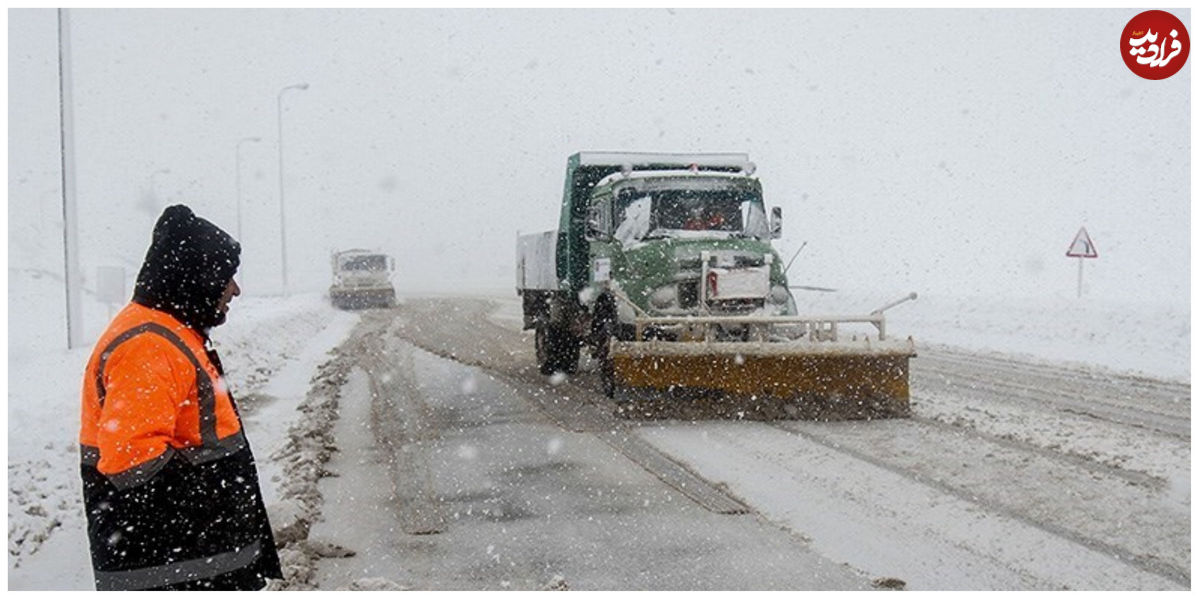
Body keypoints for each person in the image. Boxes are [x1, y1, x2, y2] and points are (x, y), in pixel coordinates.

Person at [79, 204, 282, 590]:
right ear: (198, 277)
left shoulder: (170, 330)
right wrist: (215, 507)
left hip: (191, 564)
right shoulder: (149, 345)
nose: (235, 289)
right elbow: (131, 460)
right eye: (226, 277)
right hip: (176, 570)